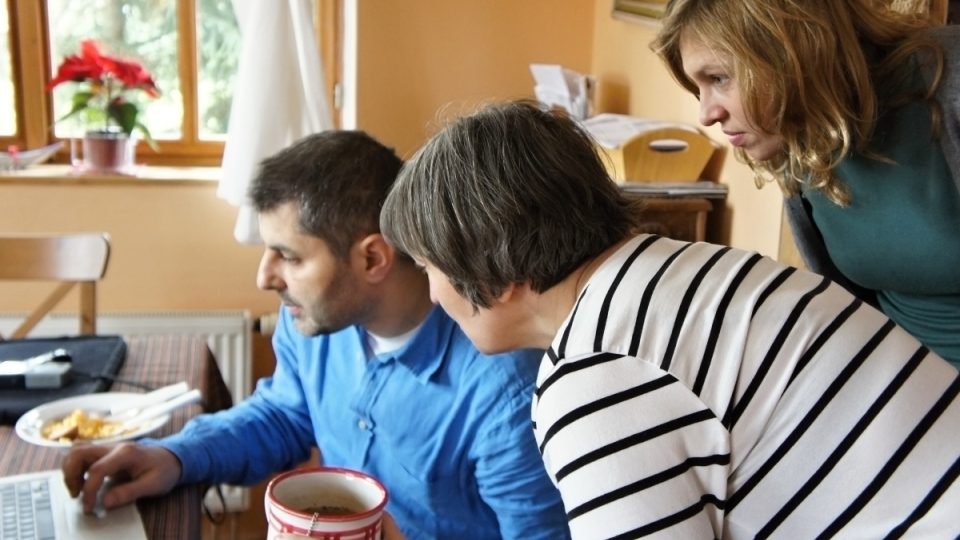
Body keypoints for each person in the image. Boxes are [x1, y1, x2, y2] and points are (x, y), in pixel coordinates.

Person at [379, 100, 960, 538]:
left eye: (429, 267)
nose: (431, 295)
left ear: (491, 269)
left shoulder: (596, 375)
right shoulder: (680, 268)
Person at [61, 130, 571, 540]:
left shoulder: (505, 394)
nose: (265, 277)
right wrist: (173, 456)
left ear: (373, 257)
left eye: (290, 256)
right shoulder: (314, 320)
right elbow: (284, 415)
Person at [649, 0, 960, 368]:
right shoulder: (799, 141)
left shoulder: (948, 79)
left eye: (719, 78)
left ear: (793, 54)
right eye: (697, 88)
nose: (706, 114)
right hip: (903, 386)